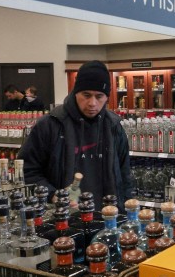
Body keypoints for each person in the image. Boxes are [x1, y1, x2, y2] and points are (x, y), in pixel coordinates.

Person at [17, 61, 133, 208]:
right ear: (75, 92)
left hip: (108, 219)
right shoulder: (50, 125)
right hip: (63, 220)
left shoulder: (114, 126)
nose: (92, 103)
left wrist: (126, 211)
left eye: (99, 96)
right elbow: (27, 170)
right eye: (86, 95)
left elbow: (125, 175)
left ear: (107, 97)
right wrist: (53, 195)